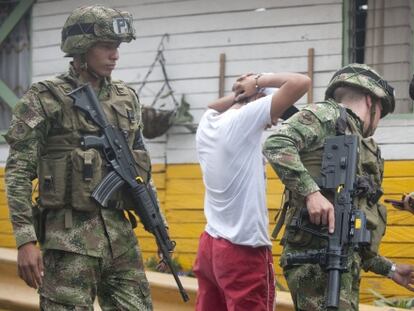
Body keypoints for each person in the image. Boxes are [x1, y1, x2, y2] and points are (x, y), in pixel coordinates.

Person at [4, 5, 166, 310]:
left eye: (116, 47)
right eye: (106, 46)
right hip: (68, 243)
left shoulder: (126, 98)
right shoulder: (45, 98)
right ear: (81, 48)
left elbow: (140, 170)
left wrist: (159, 229)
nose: (114, 55)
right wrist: (25, 240)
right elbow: (18, 172)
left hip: (120, 242)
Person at [263, 63, 414, 311]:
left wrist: (391, 270)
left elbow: (352, 232)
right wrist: (311, 193)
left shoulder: (361, 146)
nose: (377, 123)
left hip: (343, 264)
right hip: (315, 262)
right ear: (370, 101)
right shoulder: (327, 115)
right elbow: (277, 144)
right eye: (381, 113)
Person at [193, 71, 311, 311]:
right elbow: (301, 82)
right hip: (242, 251)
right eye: (276, 111)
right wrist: (259, 81)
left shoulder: (209, 120)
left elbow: (214, 104)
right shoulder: (243, 121)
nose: (276, 120)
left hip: (211, 245)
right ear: (256, 101)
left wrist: (242, 92)